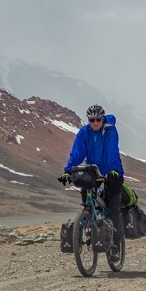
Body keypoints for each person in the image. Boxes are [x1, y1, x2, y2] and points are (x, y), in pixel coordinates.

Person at [58, 104, 125, 262]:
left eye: (98, 120)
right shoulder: (84, 132)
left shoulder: (110, 130)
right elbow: (76, 153)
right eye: (91, 120)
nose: (95, 123)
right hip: (92, 172)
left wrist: (114, 170)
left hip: (112, 172)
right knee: (88, 203)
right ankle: (89, 225)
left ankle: (116, 246)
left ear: (102, 119)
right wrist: (68, 171)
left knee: (114, 209)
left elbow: (112, 151)